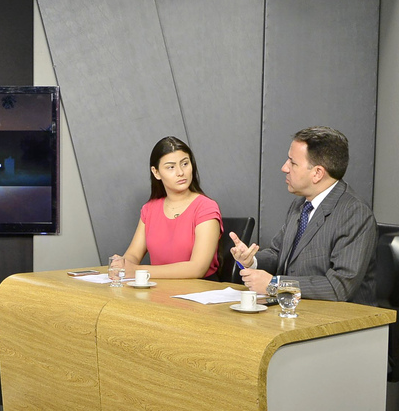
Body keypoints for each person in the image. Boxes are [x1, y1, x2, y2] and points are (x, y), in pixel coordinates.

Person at [230, 126, 377, 305]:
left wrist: (275, 285)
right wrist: (251, 260)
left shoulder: (354, 213)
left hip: (340, 318)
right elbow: (278, 254)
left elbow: (339, 287)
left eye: (292, 163)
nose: (284, 168)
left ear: (317, 173)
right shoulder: (300, 204)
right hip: (293, 310)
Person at [119, 136, 222, 279]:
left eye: (185, 164)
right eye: (171, 167)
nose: (180, 172)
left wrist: (138, 271)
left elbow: (197, 268)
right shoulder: (149, 209)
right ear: (156, 172)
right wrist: (122, 265)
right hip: (159, 288)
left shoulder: (206, 207)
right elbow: (133, 254)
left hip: (200, 289)